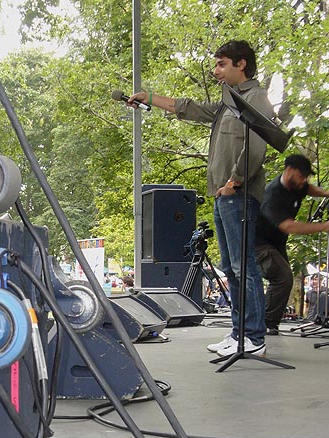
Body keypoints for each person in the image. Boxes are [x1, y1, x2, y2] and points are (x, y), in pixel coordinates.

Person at [128, 40, 272, 357]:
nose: (215, 70)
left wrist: (234, 181)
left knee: (244, 266)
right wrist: (148, 98)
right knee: (231, 268)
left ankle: (255, 337)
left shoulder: (255, 98)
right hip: (224, 195)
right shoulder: (228, 103)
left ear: (242, 64)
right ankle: (239, 334)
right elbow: (188, 107)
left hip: (239, 194)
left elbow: (259, 144)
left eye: (222, 64)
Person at [255, 154, 329, 334]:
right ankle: (266, 323)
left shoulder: (297, 185)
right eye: (301, 175)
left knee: (283, 280)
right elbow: (288, 226)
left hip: (277, 243)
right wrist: (324, 226)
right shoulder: (273, 194)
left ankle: (268, 321)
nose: (304, 180)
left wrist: (327, 193)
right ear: (289, 171)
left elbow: (310, 189)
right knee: (283, 277)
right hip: (260, 243)